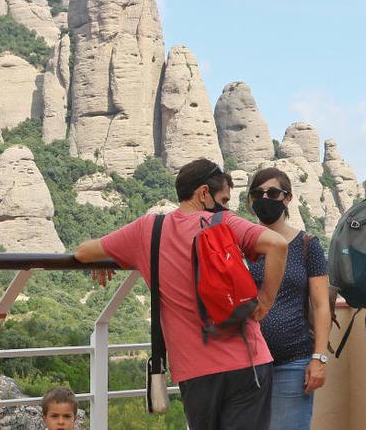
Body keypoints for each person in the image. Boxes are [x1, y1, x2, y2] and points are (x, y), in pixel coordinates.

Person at [74, 158, 288, 429]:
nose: (224, 207)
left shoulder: (148, 229)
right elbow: (277, 245)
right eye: (222, 199)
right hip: (249, 362)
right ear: (203, 193)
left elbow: (82, 251)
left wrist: (107, 260)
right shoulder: (226, 222)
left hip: (196, 370)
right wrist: (266, 301)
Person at [246, 167, 331, 430]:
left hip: (293, 363)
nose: (265, 198)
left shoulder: (307, 245)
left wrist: (319, 359)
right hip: (245, 364)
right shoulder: (242, 243)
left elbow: (321, 305)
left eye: (273, 192)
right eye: (258, 193)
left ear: (288, 198)